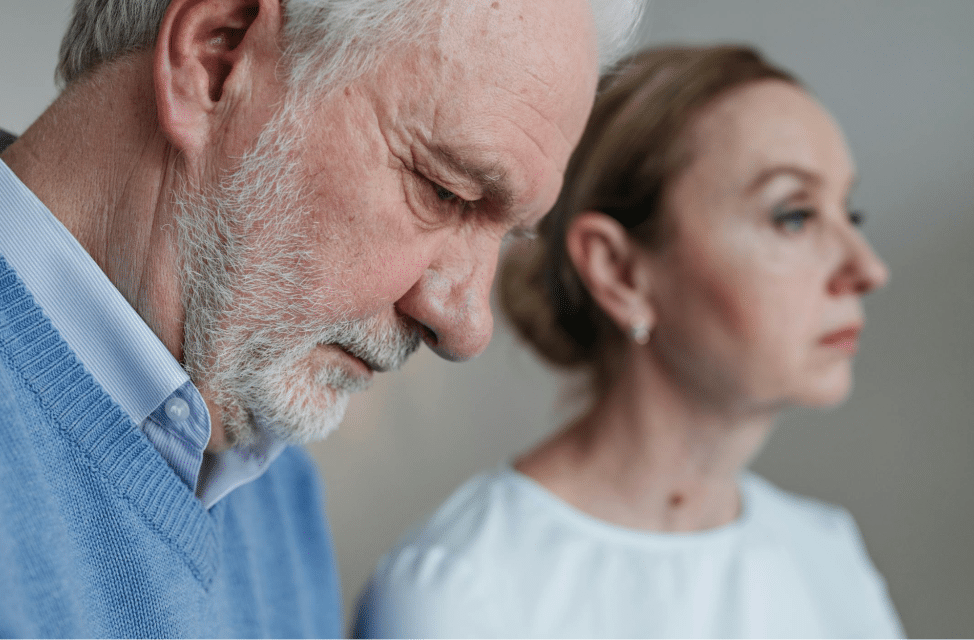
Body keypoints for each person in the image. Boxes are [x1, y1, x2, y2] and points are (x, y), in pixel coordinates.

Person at [0, 0, 652, 637]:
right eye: (446, 190)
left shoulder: (277, 492)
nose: (467, 326)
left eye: (512, 234)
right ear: (217, 57)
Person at [354, 45, 905, 639]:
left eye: (851, 214)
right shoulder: (460, 588)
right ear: (619, 271)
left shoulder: (828, 555)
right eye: (792, 216)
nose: (868, 269)